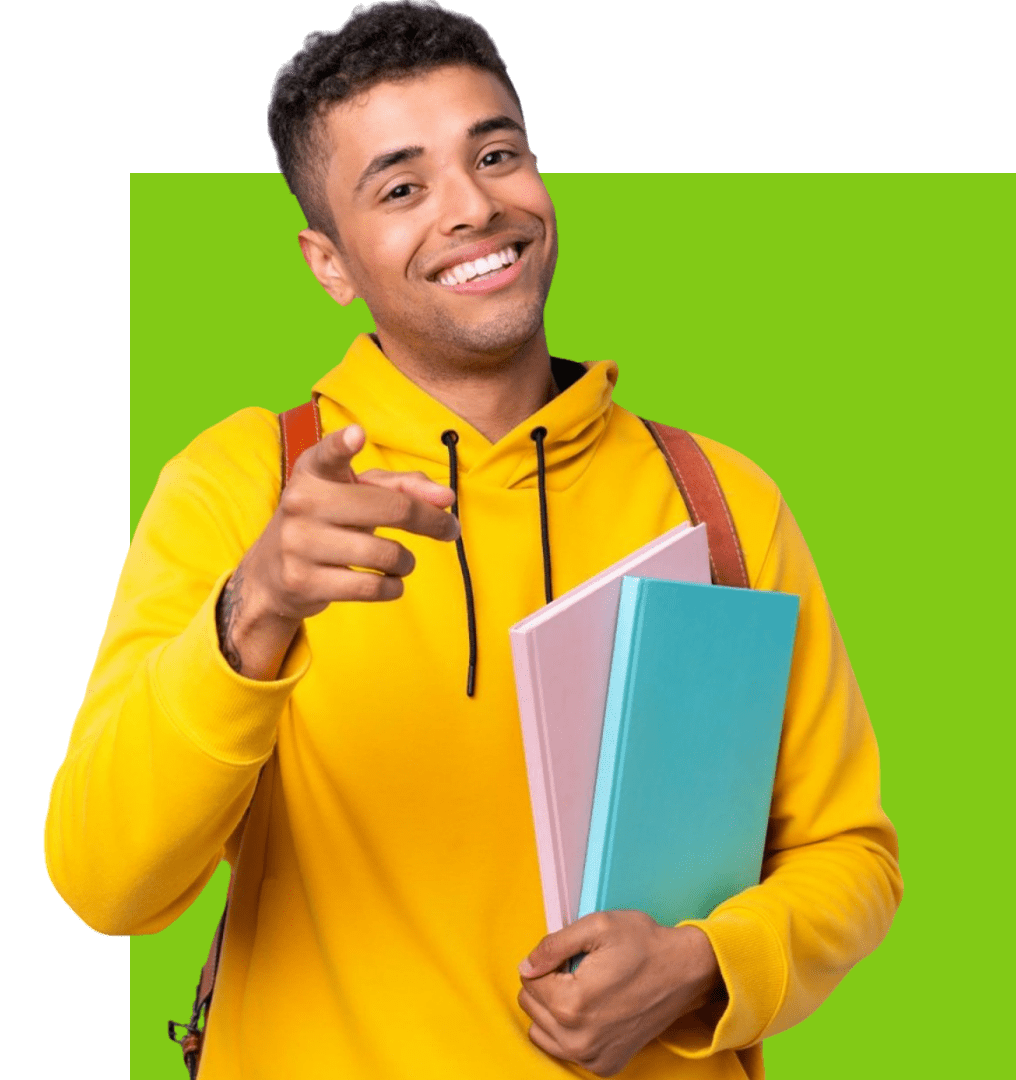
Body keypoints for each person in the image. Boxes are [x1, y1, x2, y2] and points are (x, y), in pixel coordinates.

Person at [44, 3, 902, 1077]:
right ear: (330, 263)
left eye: (496, 154)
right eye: (400, 187)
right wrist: (252, 610)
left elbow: (847, 855)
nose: (473, 208)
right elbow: (103, 884)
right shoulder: (241, 490)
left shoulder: (718, 501)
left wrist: (703, 963)